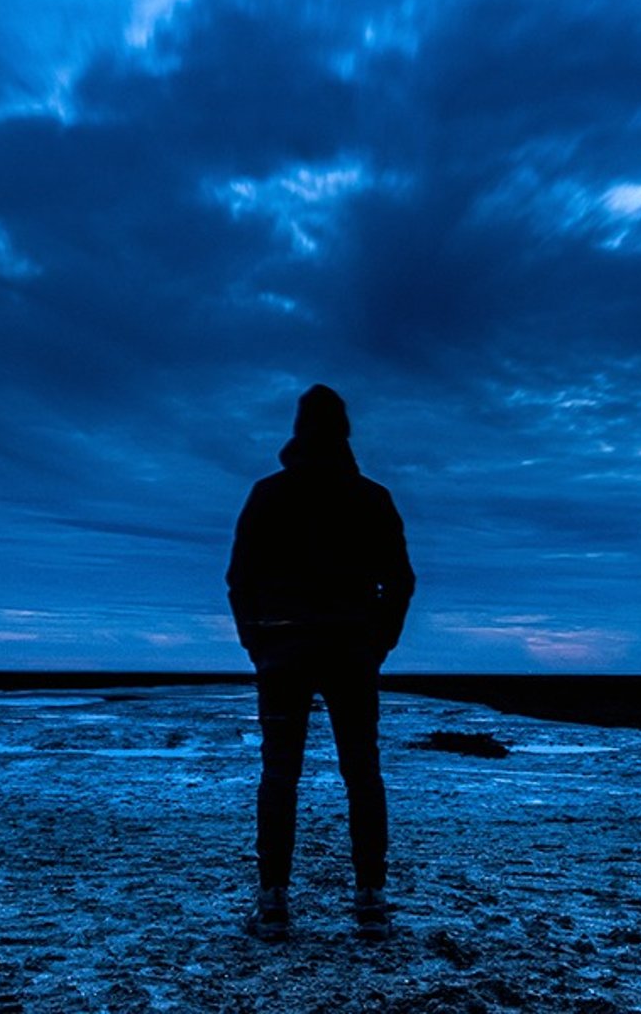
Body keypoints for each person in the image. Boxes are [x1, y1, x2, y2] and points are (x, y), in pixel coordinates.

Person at [226, 384, 416, 942]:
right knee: (361, 771)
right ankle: (370, 901)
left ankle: (274, 902)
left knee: (281, 773)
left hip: (286, 650)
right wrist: (378, 642)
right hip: (348, 650)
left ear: (299, 429)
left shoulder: (268, 495)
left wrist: (257, 644)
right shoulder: (370, 498)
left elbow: (241, 581)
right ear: (345, 432)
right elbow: (400, 582)